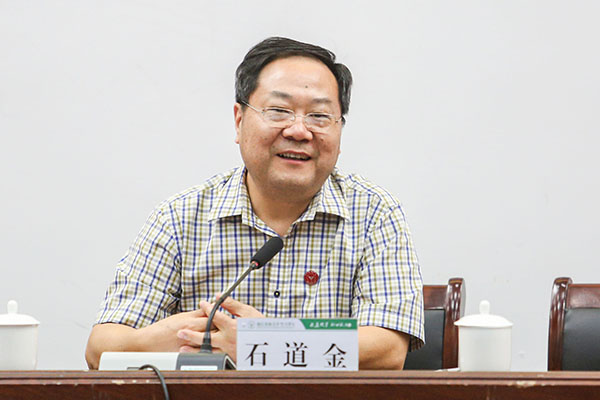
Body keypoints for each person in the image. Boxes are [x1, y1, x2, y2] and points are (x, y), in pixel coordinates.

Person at [85, 37, 424, 370]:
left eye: (319, 116)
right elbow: (100, 351)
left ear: (340, 130)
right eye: (279, 111)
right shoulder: (180, 217)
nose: (299, 131)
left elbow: (388, 351)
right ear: (239, 120)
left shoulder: (374, 214)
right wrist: (175, 336)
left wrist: (263, 344)